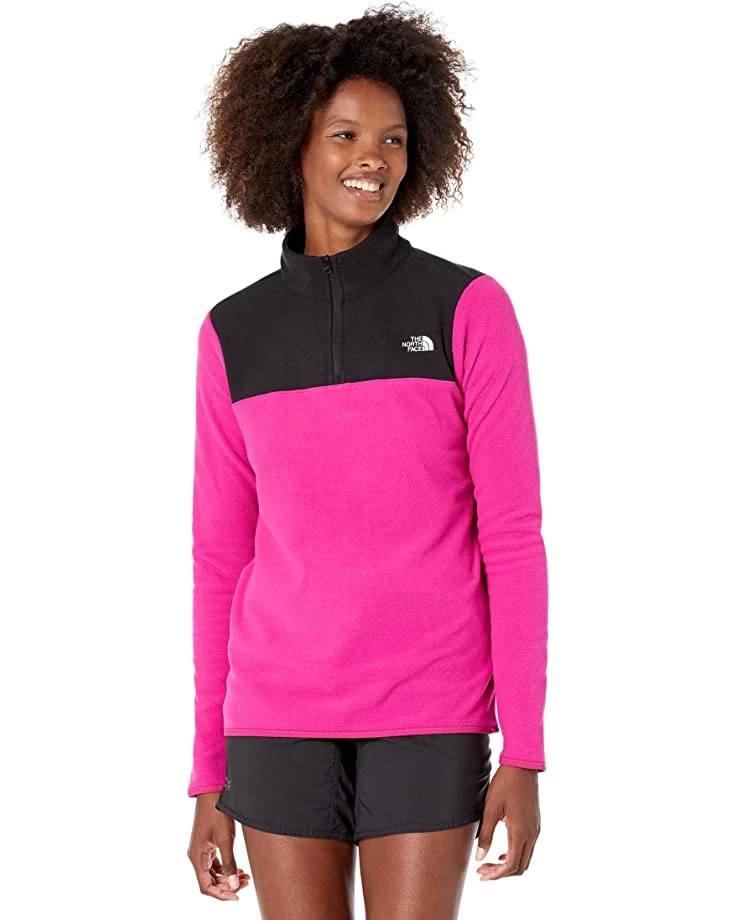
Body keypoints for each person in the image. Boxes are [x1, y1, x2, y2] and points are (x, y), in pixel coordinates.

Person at [186, 5, 548, 918]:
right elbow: (220, 557)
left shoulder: (468, 307)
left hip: (431, 708)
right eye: (345, 133)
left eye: (393, 138)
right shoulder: (233, 332)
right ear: (291, 144)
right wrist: (208, 771)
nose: (373, 158)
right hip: (274, 717)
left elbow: (512, 537)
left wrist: (525, 750)